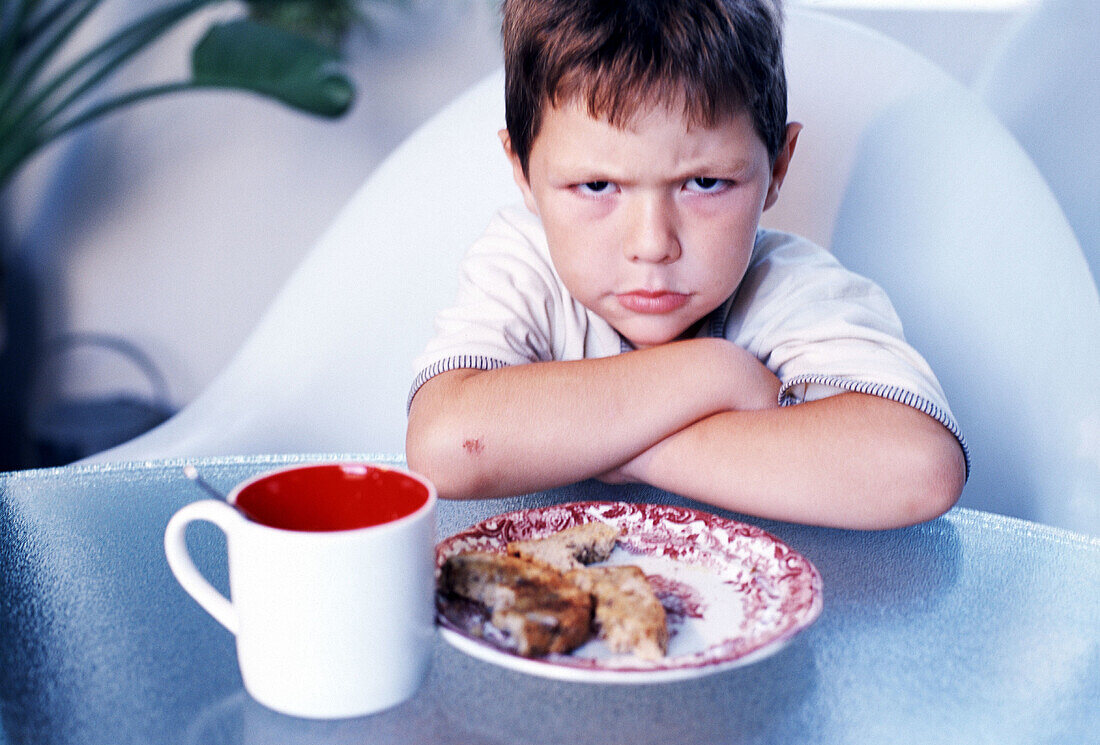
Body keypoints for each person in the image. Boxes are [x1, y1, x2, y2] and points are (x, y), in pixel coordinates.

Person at [405, 0, 968, 529]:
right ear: (522, 171)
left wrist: (611, 446)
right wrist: (714, 373)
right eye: (597, 185)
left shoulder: (789, 288)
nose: (652, 244)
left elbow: (920, 471)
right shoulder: (523, 265)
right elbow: (445, 447)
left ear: (777, 166)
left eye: (704, 183)